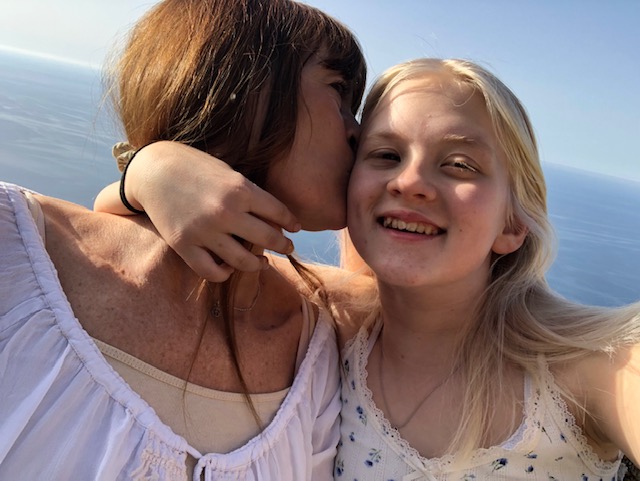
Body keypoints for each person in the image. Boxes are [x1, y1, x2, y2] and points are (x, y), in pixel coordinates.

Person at [97, 58, 640, 480]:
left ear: (514, 224)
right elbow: (115, 226)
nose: (410, 181)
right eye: (385, 155)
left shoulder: (593, 368)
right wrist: (151, 168)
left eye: (459, 164)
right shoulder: (333, 325)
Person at [0, 0, 366, 479]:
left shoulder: (317, 355)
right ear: (241, 82)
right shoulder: (13, 246)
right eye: (338, 91)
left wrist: (142, 170)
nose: (358, 132)